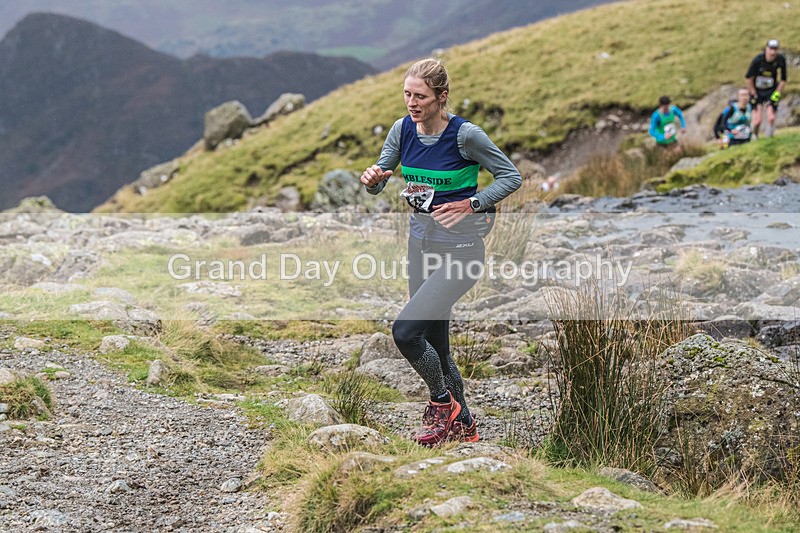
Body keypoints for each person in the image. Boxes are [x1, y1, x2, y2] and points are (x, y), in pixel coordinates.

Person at [360, 58, 522, 446]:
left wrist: (473, 204)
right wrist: (373, 180)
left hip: (462, 252)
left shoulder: (467, 136)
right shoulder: (402, 130)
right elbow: (381, 176)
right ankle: (464, 426)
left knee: (405, 332)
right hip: (420, 245)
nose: (411, 104)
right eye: (407, 94)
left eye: (420, 96)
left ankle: (441, 405)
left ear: (441, 97)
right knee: (436, 345)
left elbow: (511, 176)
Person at [746, 38, 787, 139]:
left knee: (771, 117)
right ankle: (754, 136)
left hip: (771, 90)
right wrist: (753, 92)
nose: (773, 52)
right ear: (766, 49)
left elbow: (783, 79)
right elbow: (748, 78)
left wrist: (777, 92)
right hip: (757, 90)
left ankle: (770, 138)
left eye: (775, 49)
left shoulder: (780, 59)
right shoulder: (758, 60)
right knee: (757, 120)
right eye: (771, 49)